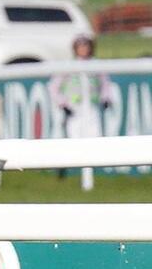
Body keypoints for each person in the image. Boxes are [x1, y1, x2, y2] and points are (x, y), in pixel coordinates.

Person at [49, 34, 119, 188]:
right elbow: (54, 88)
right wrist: (63, 104)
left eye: (86, 45)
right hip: (74, 109)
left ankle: (88, 180)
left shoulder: (96, 65)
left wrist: (105, 99)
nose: (83, 49)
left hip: (92, 108)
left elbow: (105, 85)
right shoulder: (68, 66)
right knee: (75, 141)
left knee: (93, 140)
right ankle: (65, 168)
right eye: (80, 46)